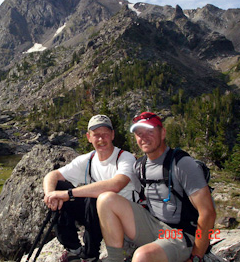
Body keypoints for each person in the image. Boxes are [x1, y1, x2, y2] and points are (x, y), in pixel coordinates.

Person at [97, 112, 216, 262]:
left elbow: (208, 213)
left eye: (150, 131)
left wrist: (196, 256)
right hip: (155, 225)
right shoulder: (140, 166)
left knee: (142, 256)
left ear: (163, 132)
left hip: (181, 234)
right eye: (139, 133)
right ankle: (115, 259)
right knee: (105, 199)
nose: (144, 137)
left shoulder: (182, 163)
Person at [43, 114, 140, 262]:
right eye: (96, 135)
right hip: (97, 216)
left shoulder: (125, 158)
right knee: (58, 188)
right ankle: (73, 248)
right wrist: (51, 195)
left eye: (105, 134)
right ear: (89, 137)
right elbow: (53, 175)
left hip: (123, 218)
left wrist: (68, 194)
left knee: (96, 197)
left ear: (112, 135)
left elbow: (116, 184)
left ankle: (90, 253)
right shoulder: (88, 160)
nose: (101, 139)